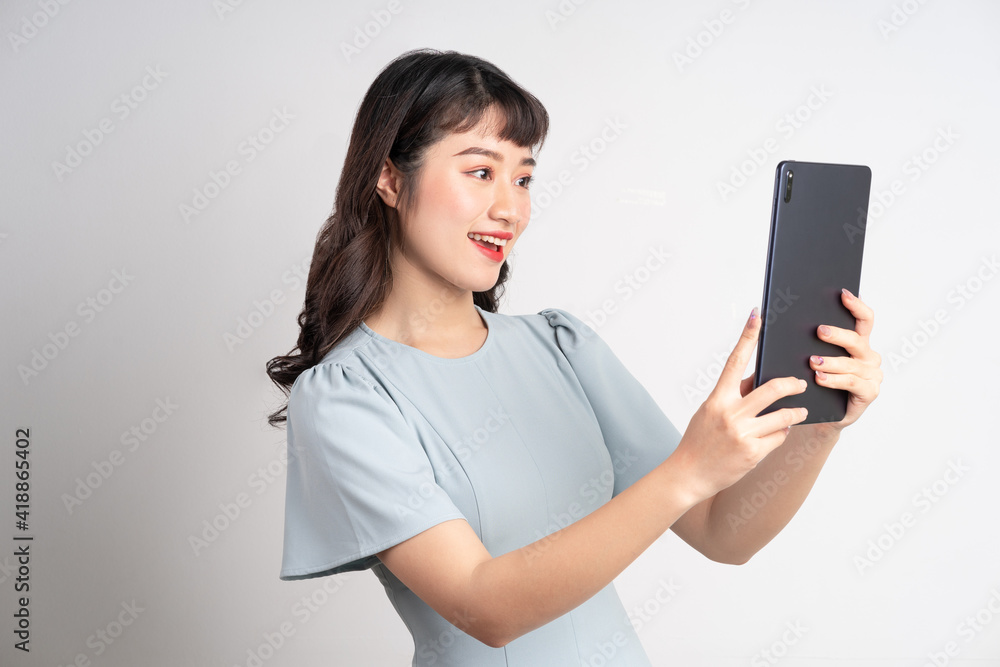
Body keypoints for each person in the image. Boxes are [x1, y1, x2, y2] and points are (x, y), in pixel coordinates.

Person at [265, 48, 883, 666]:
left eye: (524, 177)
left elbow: (724, 533)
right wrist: (691, 466)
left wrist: (819, 423)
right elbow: (485, 607)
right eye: (480, 171)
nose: (510, 207)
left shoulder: (561, 348)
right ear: (391, 179)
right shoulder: (347, 394)